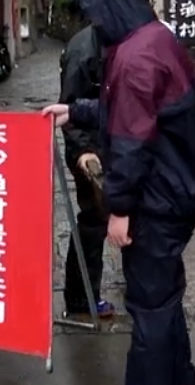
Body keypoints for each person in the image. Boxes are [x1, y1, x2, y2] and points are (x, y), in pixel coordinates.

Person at [43, 0, 195, 385]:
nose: (94, 19)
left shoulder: (135, 57)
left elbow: (132, 142)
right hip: (173, 194)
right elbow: (132, 109)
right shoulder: (154, 39)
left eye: (95, 8)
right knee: (164, 304)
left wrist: (119, 210)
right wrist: (76, 110)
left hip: (155, 203)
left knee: (149, 310)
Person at [58, 19, 116, 319]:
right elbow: (70, 110)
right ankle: (81, 299)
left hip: (117, 145)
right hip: (91, 152)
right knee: (94, 220)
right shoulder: (84, 49)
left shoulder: (120, 36)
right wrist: (84, 151)